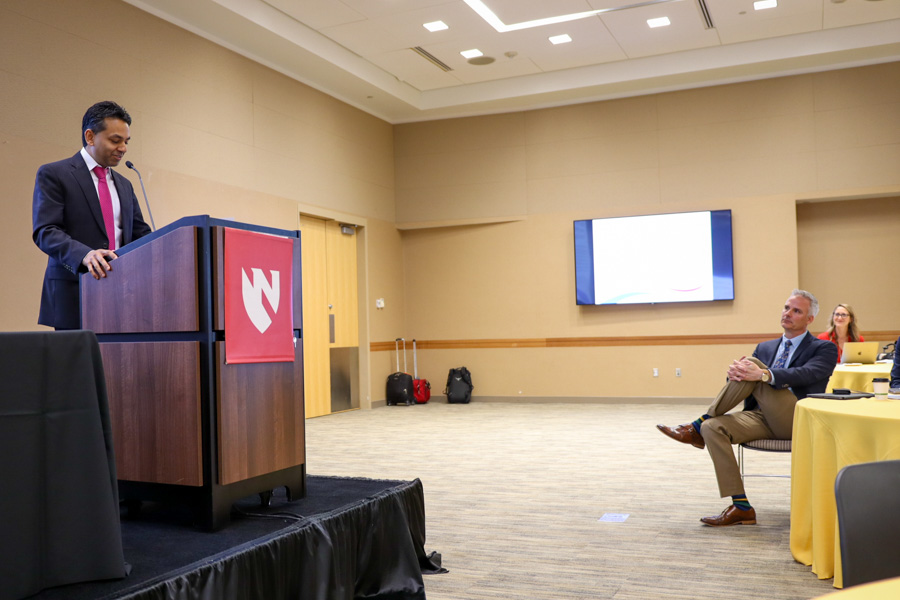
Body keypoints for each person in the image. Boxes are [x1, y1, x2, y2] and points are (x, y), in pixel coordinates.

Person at [656, 290, 837, 527]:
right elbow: (744, 382)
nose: (788, 313)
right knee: (713, 427)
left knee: (751, 366)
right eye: (786, 308)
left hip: (796, 418)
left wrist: (763, 374)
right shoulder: (765, 347)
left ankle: (694, 427)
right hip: (761, 417)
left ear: (809, 319)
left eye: (796, 311)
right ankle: (741, 507)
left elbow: (808, 373)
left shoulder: (823, 348)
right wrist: (734, 373)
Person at [33, 101, 152, 330]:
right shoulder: (55, 174)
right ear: (90, 137)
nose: (123, 148)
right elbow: (46, 231)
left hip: (123, 295)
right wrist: (85, 255)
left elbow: (140, 234)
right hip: (74, 292)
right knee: (74, 366)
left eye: (126, 142)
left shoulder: (125, 185)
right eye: (115, 140)